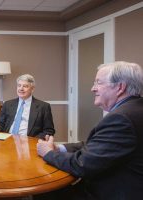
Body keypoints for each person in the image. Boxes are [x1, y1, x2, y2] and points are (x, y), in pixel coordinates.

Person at [37, 61, 143, 200]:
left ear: (120, 87)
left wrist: (48, 153)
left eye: (99, 83)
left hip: (107, 192)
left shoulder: (121, 118)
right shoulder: (135, 109)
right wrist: (61, 148)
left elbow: (82, 165)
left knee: (43, 192)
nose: (93, 88)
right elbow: (99, 144)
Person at [0, 74, 55, 138]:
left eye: (25, 86)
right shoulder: (8, 104)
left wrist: (33, 140)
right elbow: (1, 124)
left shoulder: (43, 107)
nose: (21, 89)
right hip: (7, 140)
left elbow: (49, 130)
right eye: (19, 85)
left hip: (29, 142)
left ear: (32, 89)